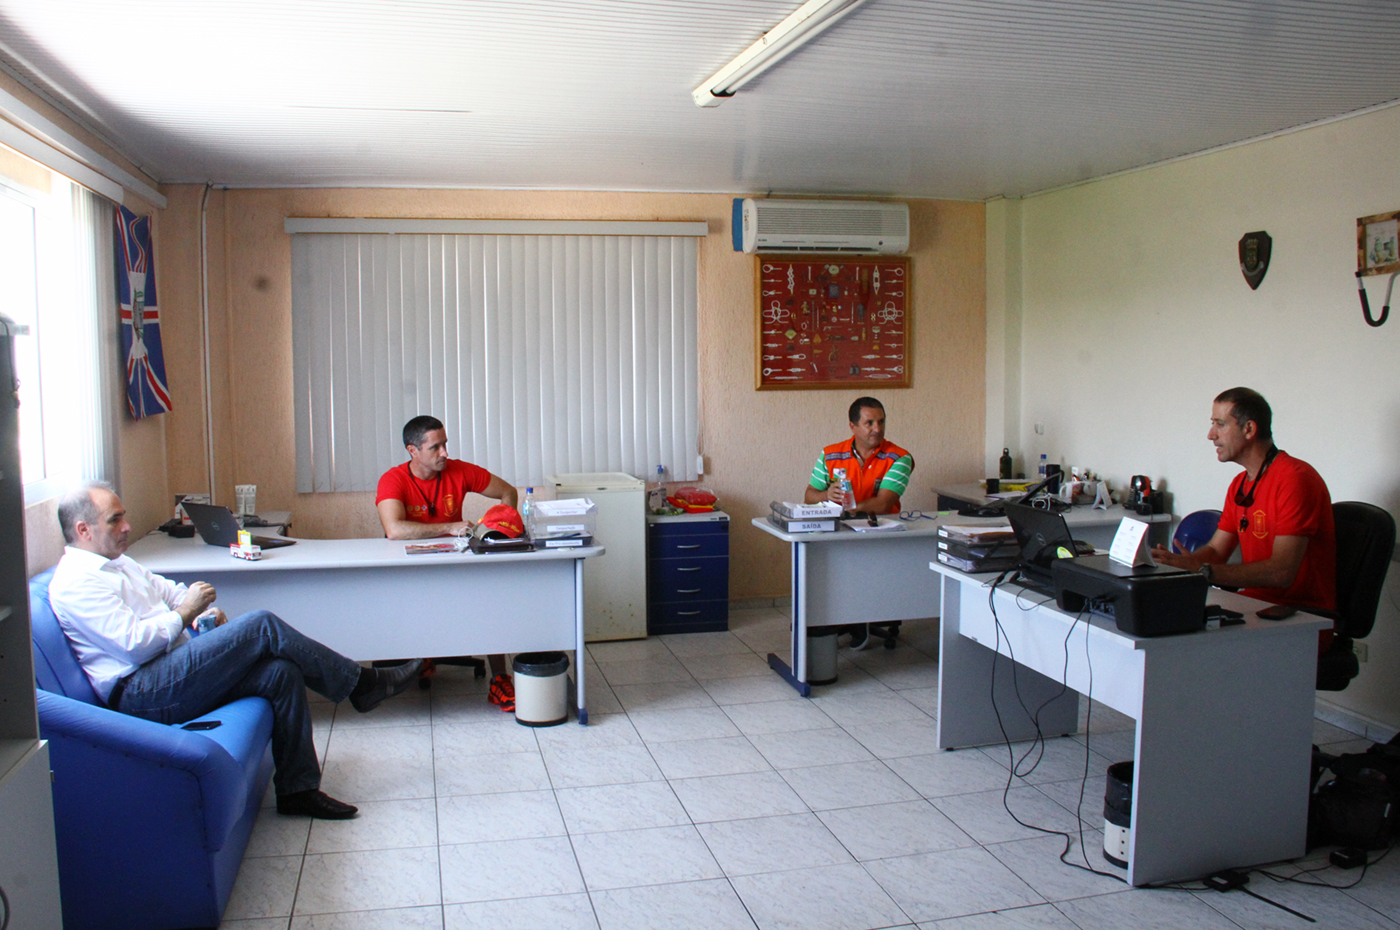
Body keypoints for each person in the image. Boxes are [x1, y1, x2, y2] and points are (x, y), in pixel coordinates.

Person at [49, 483, 422, 820]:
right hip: (142, 691)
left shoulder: (119, 563)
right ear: (83, 530)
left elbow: (171, 592)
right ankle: (360, 684)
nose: (127, 526)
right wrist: (185, 613)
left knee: (280, 672)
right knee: (261, 625)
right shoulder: (76, 582)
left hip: (168, 668)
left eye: (124, 516)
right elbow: (135, 646)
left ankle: (298, 791)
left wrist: (198, 612)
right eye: (115, 520)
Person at [1151, 387, 1337, 649]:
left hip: (1299, 619)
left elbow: (1282, 572)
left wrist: (1202, 571)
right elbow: (1217, 551)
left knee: (1184, 647)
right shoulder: (1240, 484)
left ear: (1249, 429)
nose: (1211, 435)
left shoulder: (1295, 479)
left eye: (1220, 424)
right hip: (1254, 607)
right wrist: (1177, 566)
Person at [376, 415, 520, 709]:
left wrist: (502, 528)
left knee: (491, 603)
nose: (444, 453)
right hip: (410, 570)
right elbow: (394, 529)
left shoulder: (458, 470)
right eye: (435, 447)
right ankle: (421, 654)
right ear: (413, 450)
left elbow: (508, 492)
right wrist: (449, 527)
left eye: (445, 444)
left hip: (456, 563)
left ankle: (499, 680)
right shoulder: (393, 479)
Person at [804, 396, 916, 648]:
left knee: (863, 574)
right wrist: (827, 495)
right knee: (821, 571)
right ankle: (830, 620)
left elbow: (884, 504)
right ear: (852, 426)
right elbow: (809, 496)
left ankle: (860, 620)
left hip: (880, 533)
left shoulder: (899, 457)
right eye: (869, 423)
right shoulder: (830, 454)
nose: (877, 429)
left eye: (881, 422)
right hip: (838, 532)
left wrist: (852, 506)